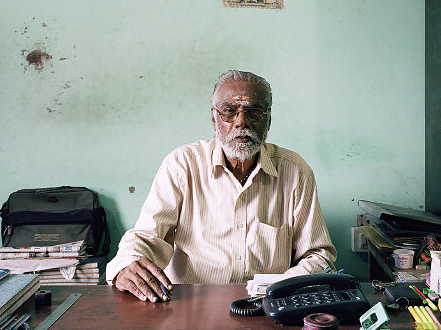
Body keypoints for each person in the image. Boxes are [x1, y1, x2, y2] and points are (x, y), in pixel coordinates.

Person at [106, 70, 337, 302]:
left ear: (269, 119)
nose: (241, 122)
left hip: (267, 308)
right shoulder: (182, 165)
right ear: (214, 118)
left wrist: (276, 290)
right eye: (229, 112)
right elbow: (147, 236)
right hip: (191, 309)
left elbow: (318, 255)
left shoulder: (295, 171)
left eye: (254, 112)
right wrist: (126, 265)